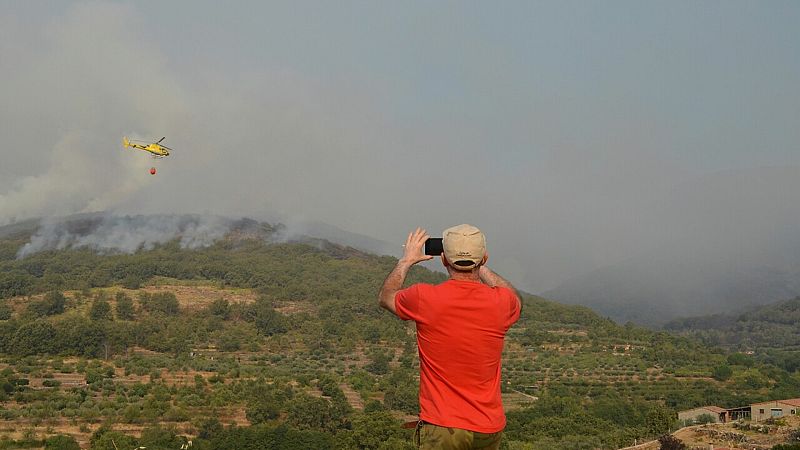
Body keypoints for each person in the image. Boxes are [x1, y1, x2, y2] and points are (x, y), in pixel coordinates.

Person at [378, 225, 522, 450]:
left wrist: (406, 260)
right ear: (485, 257)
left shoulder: (424, 297)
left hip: (443, 426)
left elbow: (386, 297)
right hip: (488, 426)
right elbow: (515, 298)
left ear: (443, 259)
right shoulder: (502, 302)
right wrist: (478, 265)